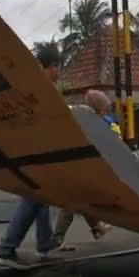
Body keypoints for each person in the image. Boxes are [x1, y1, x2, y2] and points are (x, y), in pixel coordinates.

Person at [0, 45, 64, 269]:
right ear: (53, 66)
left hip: (30, 150)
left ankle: (44, 246)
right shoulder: (41, 89)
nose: (59, 73)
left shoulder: (30, 85)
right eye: (59, 68)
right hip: (35, 152)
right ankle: (5, 250)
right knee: (33, 197)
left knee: (41, 198)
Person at [51, 89, 114, 251]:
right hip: (74, 165)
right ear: (98, 108)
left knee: (84, 198)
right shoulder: (88, 120)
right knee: (73, 202)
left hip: (73, 164)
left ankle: (96, 229)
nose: (106, 112)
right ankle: (57, 237)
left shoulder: (83, 116)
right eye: (104, 109)